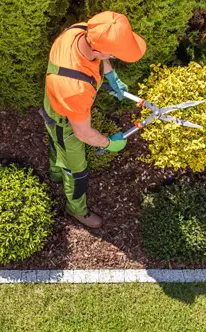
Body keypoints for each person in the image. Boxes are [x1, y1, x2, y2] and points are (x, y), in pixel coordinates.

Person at [40, 11, 146, 229]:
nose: (113, 59)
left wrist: (111, 76)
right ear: (99, 49)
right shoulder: (75, 89)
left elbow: (100, 55)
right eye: (114, 55)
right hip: (64, 122)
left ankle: (54, 172)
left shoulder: (79, 31)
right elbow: (83, 133)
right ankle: (77, 210)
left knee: (55, 143)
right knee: (76, 171)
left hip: (54, 102)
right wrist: (110, 143)